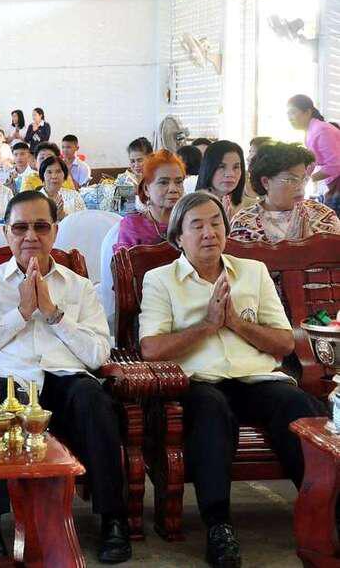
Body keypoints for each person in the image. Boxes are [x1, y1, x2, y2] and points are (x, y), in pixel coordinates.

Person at [138, 191, 326, 568]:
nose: (209, 233)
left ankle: (325, 510)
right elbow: (151, 349)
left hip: (255, 377)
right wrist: (208, 326)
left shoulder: (253, 272)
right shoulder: (161, 280)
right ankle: (218, 525)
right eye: (197, 226)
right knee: (211, 410)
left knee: (296, 405)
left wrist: (237, 323)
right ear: (179, 237)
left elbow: (284, 341)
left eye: (216, 223)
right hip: (200, 382)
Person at [0, 190, 132, 563]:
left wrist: (52, 312)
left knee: (95, 399)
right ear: (6, 233)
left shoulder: (78, 286)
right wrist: (21, 313)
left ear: (55, 231)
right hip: (9, 378)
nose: (30, 236)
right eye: (20, 227)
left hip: (65, 378)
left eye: (40, 226)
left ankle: (113, 519)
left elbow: (98, 354)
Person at [229, 142, 340, 242]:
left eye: (304, 179)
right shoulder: (245, 223)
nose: (300, 187)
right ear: (266, 182)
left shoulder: (322, 215)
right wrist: (293, 245)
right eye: (291, 180)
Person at [114, 150, 185, 251]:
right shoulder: (133, 226)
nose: (173, 189)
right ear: (146, 189)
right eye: (163, 182)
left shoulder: (188, 222)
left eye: (178, 182)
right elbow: (124, 261)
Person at [288, 94, 340, 214]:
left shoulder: (321, 130)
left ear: (307, 112)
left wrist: (307, 179)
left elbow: (335, 165)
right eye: (288, 114)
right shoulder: (311, 130)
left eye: (293, 112)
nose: (289, 118)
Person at [195, 140, 247, 219]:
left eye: (236, 167)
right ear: (208, 168)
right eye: (221, 167)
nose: (230, 174)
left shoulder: (245, 205)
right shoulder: (195, 206)